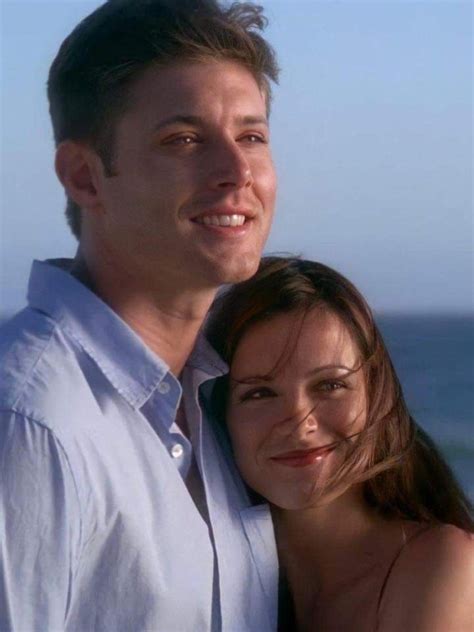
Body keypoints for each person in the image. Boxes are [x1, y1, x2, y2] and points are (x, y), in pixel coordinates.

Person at [0, 1, 280, 630]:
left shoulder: (231, 404)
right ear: (84, 177)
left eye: (251, 136)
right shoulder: (30, 423)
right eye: (183, 139)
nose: (237, 173)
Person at [208, 256, 474, 632]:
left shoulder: (437, 567)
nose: (301, 423)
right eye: (260, 393)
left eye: (330, 385)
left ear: (376, 394)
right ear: (222, 415)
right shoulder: (217, 586)